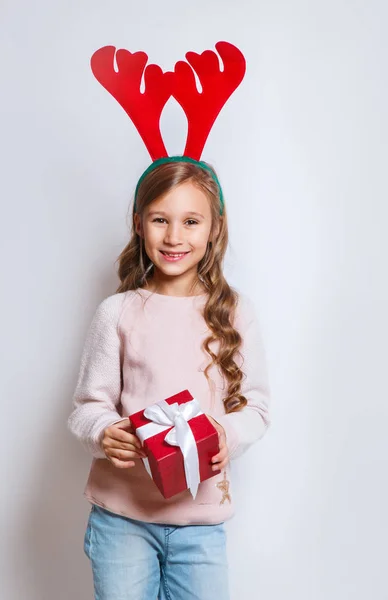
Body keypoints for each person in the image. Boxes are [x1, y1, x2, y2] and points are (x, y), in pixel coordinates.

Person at [67, 158, 271, 600]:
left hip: (200, 522)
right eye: (161, 220)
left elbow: (255, 407)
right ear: (139, 225)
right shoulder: (117, 312)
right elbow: (87, 407)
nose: (175, 236)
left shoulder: (236, 313)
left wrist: (227, 433)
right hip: (122, 520)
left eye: (191, 221)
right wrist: (103, 432)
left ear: (215, 227)